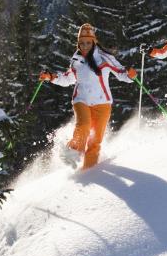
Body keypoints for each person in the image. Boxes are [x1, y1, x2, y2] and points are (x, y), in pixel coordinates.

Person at [39, 23, 137, 169]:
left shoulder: (105, 58)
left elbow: (121, 72)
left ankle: (89, 171)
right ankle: (71, 152)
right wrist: (51, 77)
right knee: (83, 126)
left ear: (94, 41)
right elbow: (68, 78)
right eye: (81, 43)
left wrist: (130, 75)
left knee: (95, 141)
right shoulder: (76, 59)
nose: (84, 46)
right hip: (81, 100)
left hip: (102, 102)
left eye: (88, 42)